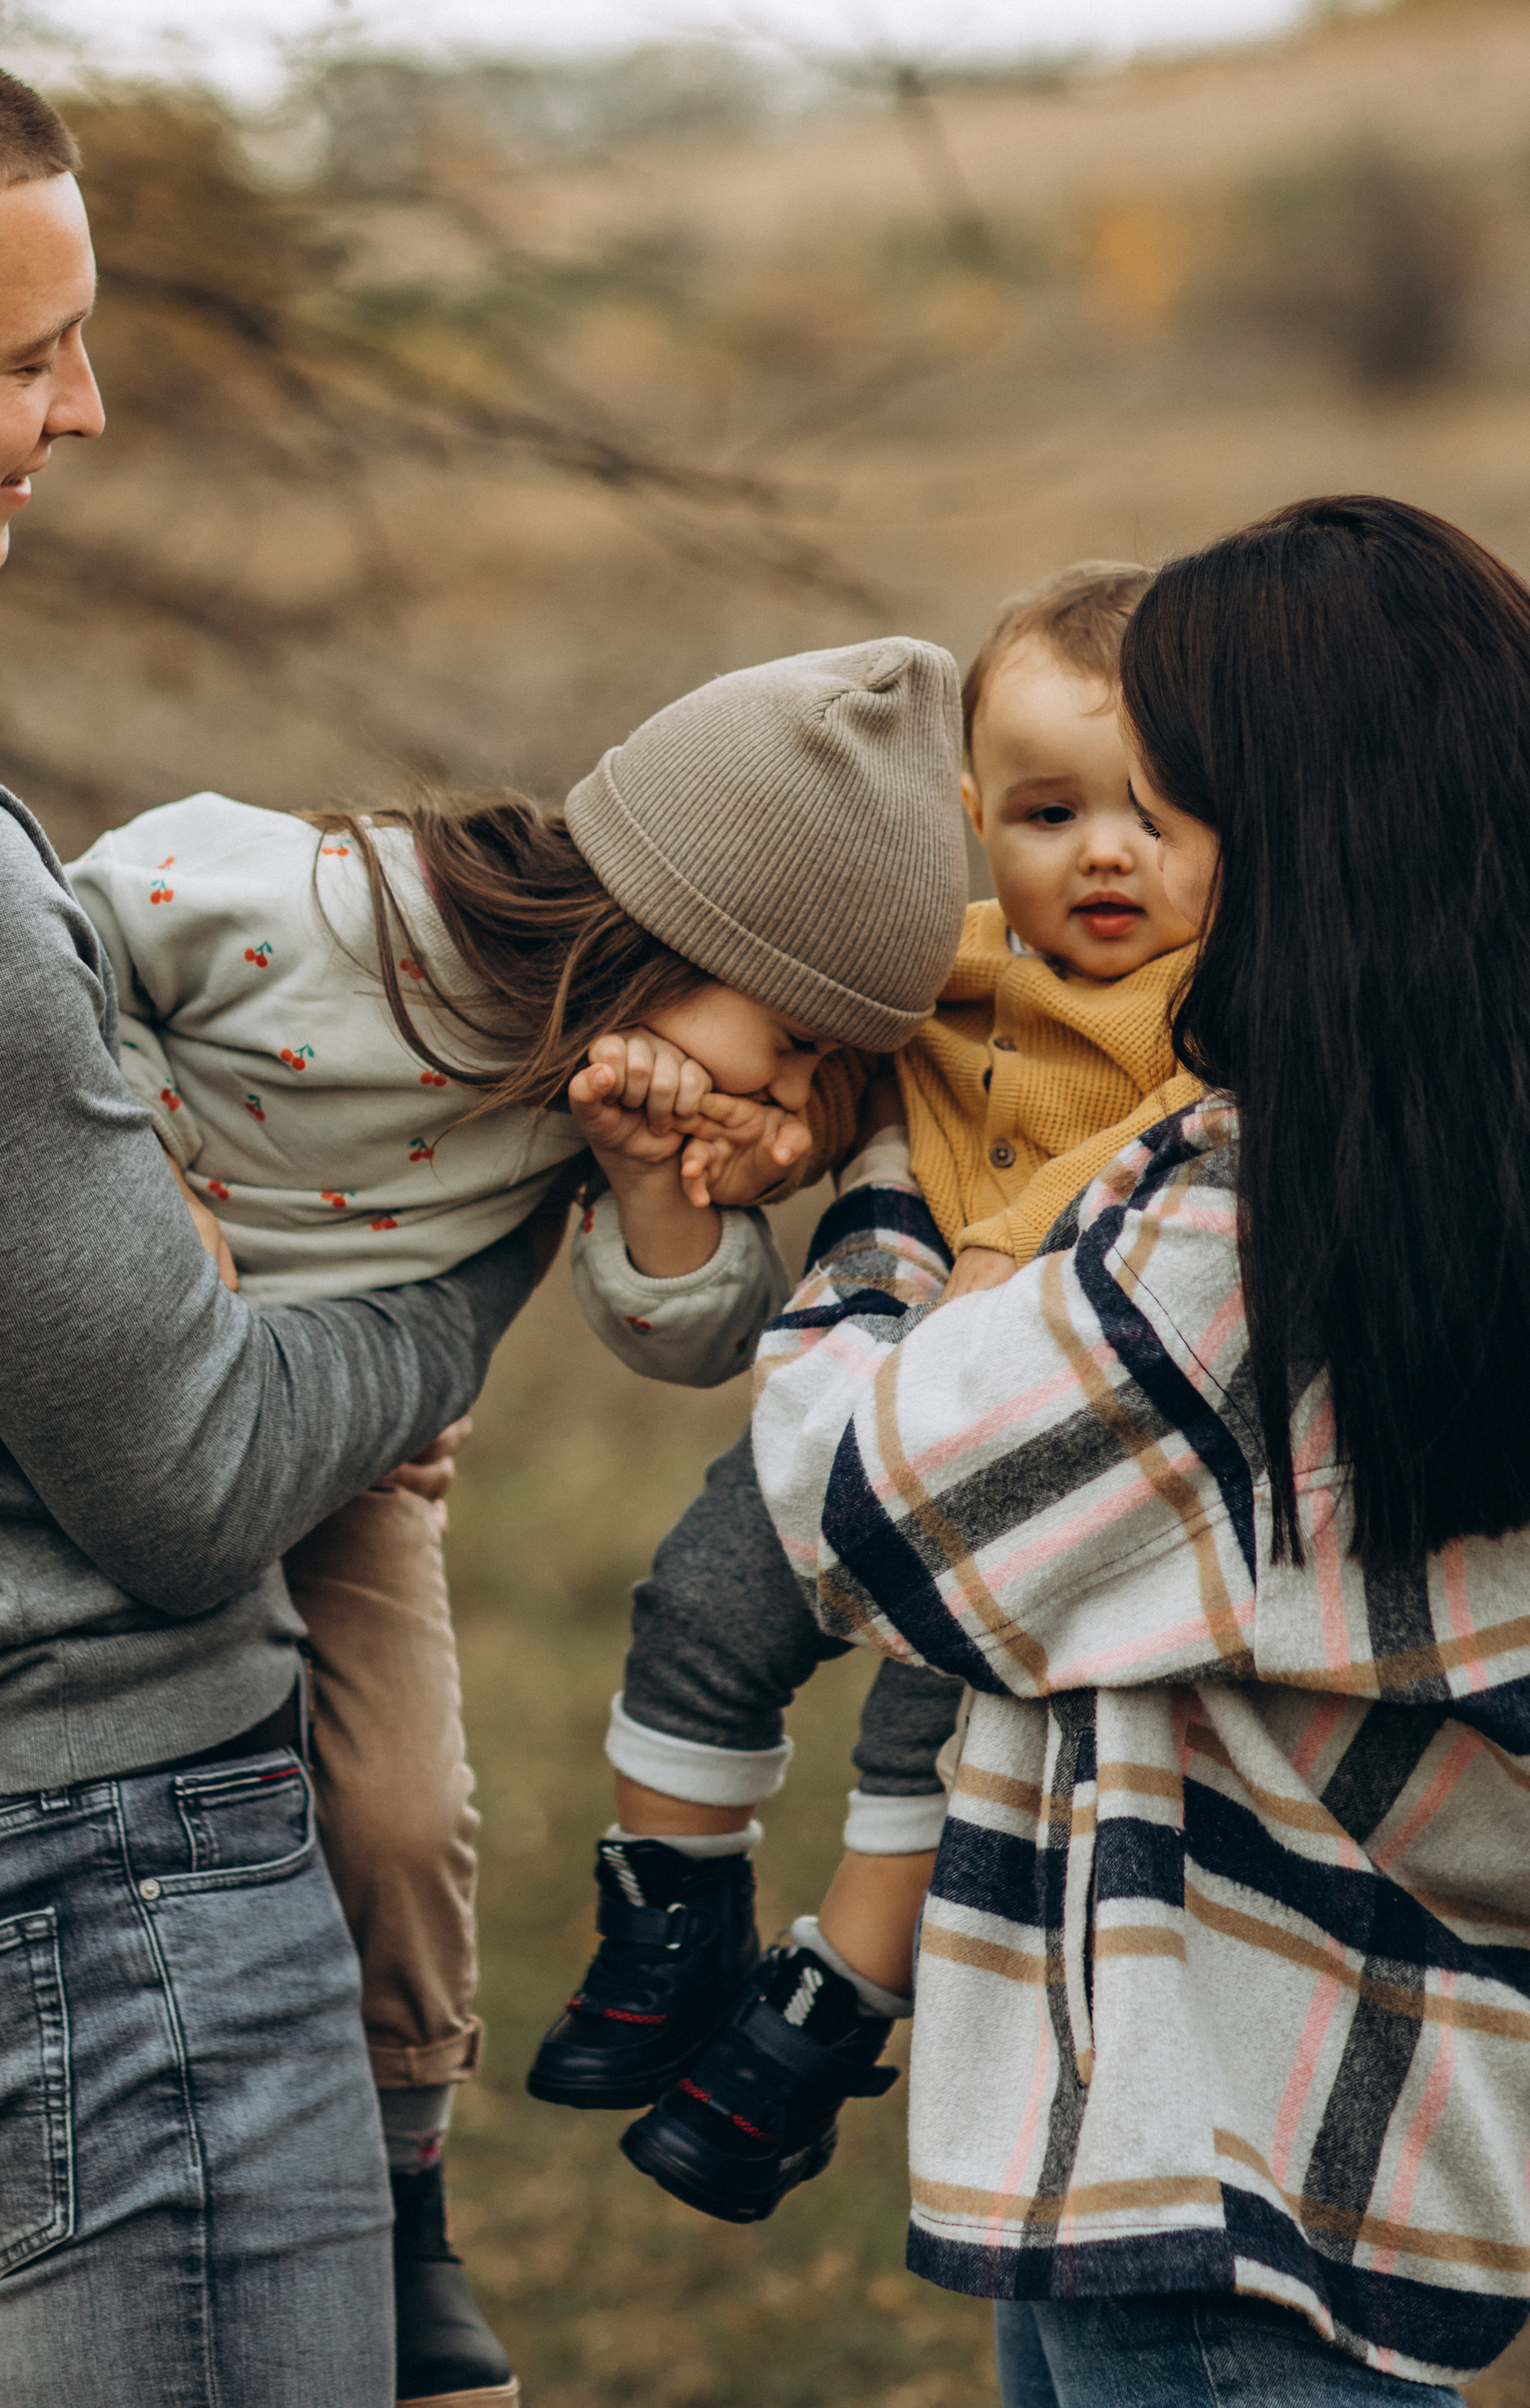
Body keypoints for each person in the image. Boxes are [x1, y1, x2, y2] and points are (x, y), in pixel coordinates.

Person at [0, 8, 548, 2407]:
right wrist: (492, 1222)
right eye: (35, 359)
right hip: (90, 1884)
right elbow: (181, 1488)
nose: (87, 415)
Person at [753, 493, 1530, 2405]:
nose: (1148, 855)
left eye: (1184, 798)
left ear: (1313, 830)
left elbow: (852, 1500)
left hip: (1219, 2140)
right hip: (1449, 2082)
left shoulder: (1259, 1248)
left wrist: (885, 1194)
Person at [58, 632, 969, 2401]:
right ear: (682, 926)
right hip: (91, 1388)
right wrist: (145, 1175)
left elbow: (689, 1340)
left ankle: (404, 2204)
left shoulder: (603, 1097)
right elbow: (52, 945)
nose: (779, 1109)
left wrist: (646, 1182)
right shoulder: (310, 906)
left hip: (347, 1460)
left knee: (401, 1817)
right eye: (788, 1049)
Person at [528, 565, 1205, 2226]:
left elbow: (1192, 1153)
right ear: (975, 819)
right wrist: (761, 1141)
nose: (1100, 854)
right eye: (1048, 814)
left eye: (1157, 814)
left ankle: (826, 2014)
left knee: (936, 1726)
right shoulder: (944, 977)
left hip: (1035, 1459)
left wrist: (1014, 1243)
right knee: (696, 1602)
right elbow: (835, 1087)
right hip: (861, 1402)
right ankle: (666, 1916)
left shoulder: (1221, 1008)